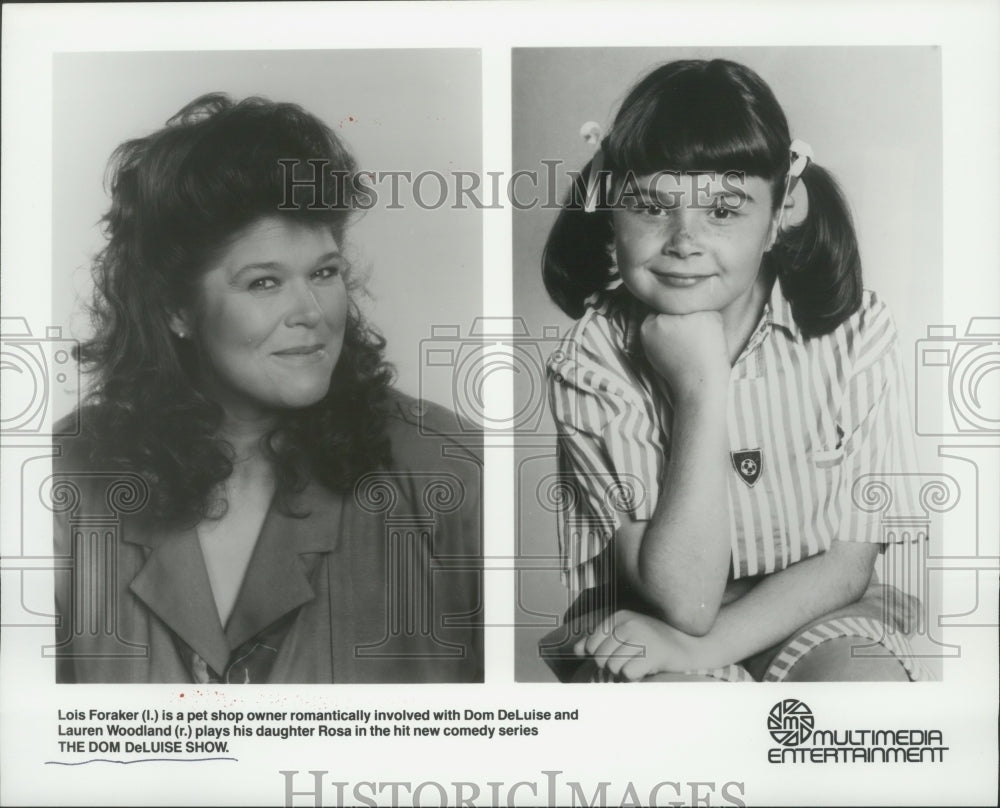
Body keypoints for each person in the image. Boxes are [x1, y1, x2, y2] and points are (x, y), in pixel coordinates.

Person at [52, 93, 482, 684]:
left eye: (324, 273)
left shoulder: (451, 466)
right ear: (177, 307)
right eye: (263, 283)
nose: (311, 311)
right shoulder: (62, 481)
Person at [540, 59, 928, 682]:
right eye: (650, 207)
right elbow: (684, 602)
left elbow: (849, 564)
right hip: (653, 613)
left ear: (780, 215)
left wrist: (703, 649)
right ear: (611, 216)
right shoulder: (593, 361)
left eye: (723, 211)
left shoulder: (856, 332)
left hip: (812, 602)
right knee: (670, 713)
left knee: (862, 689)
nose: (683, 240)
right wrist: (700, 386)